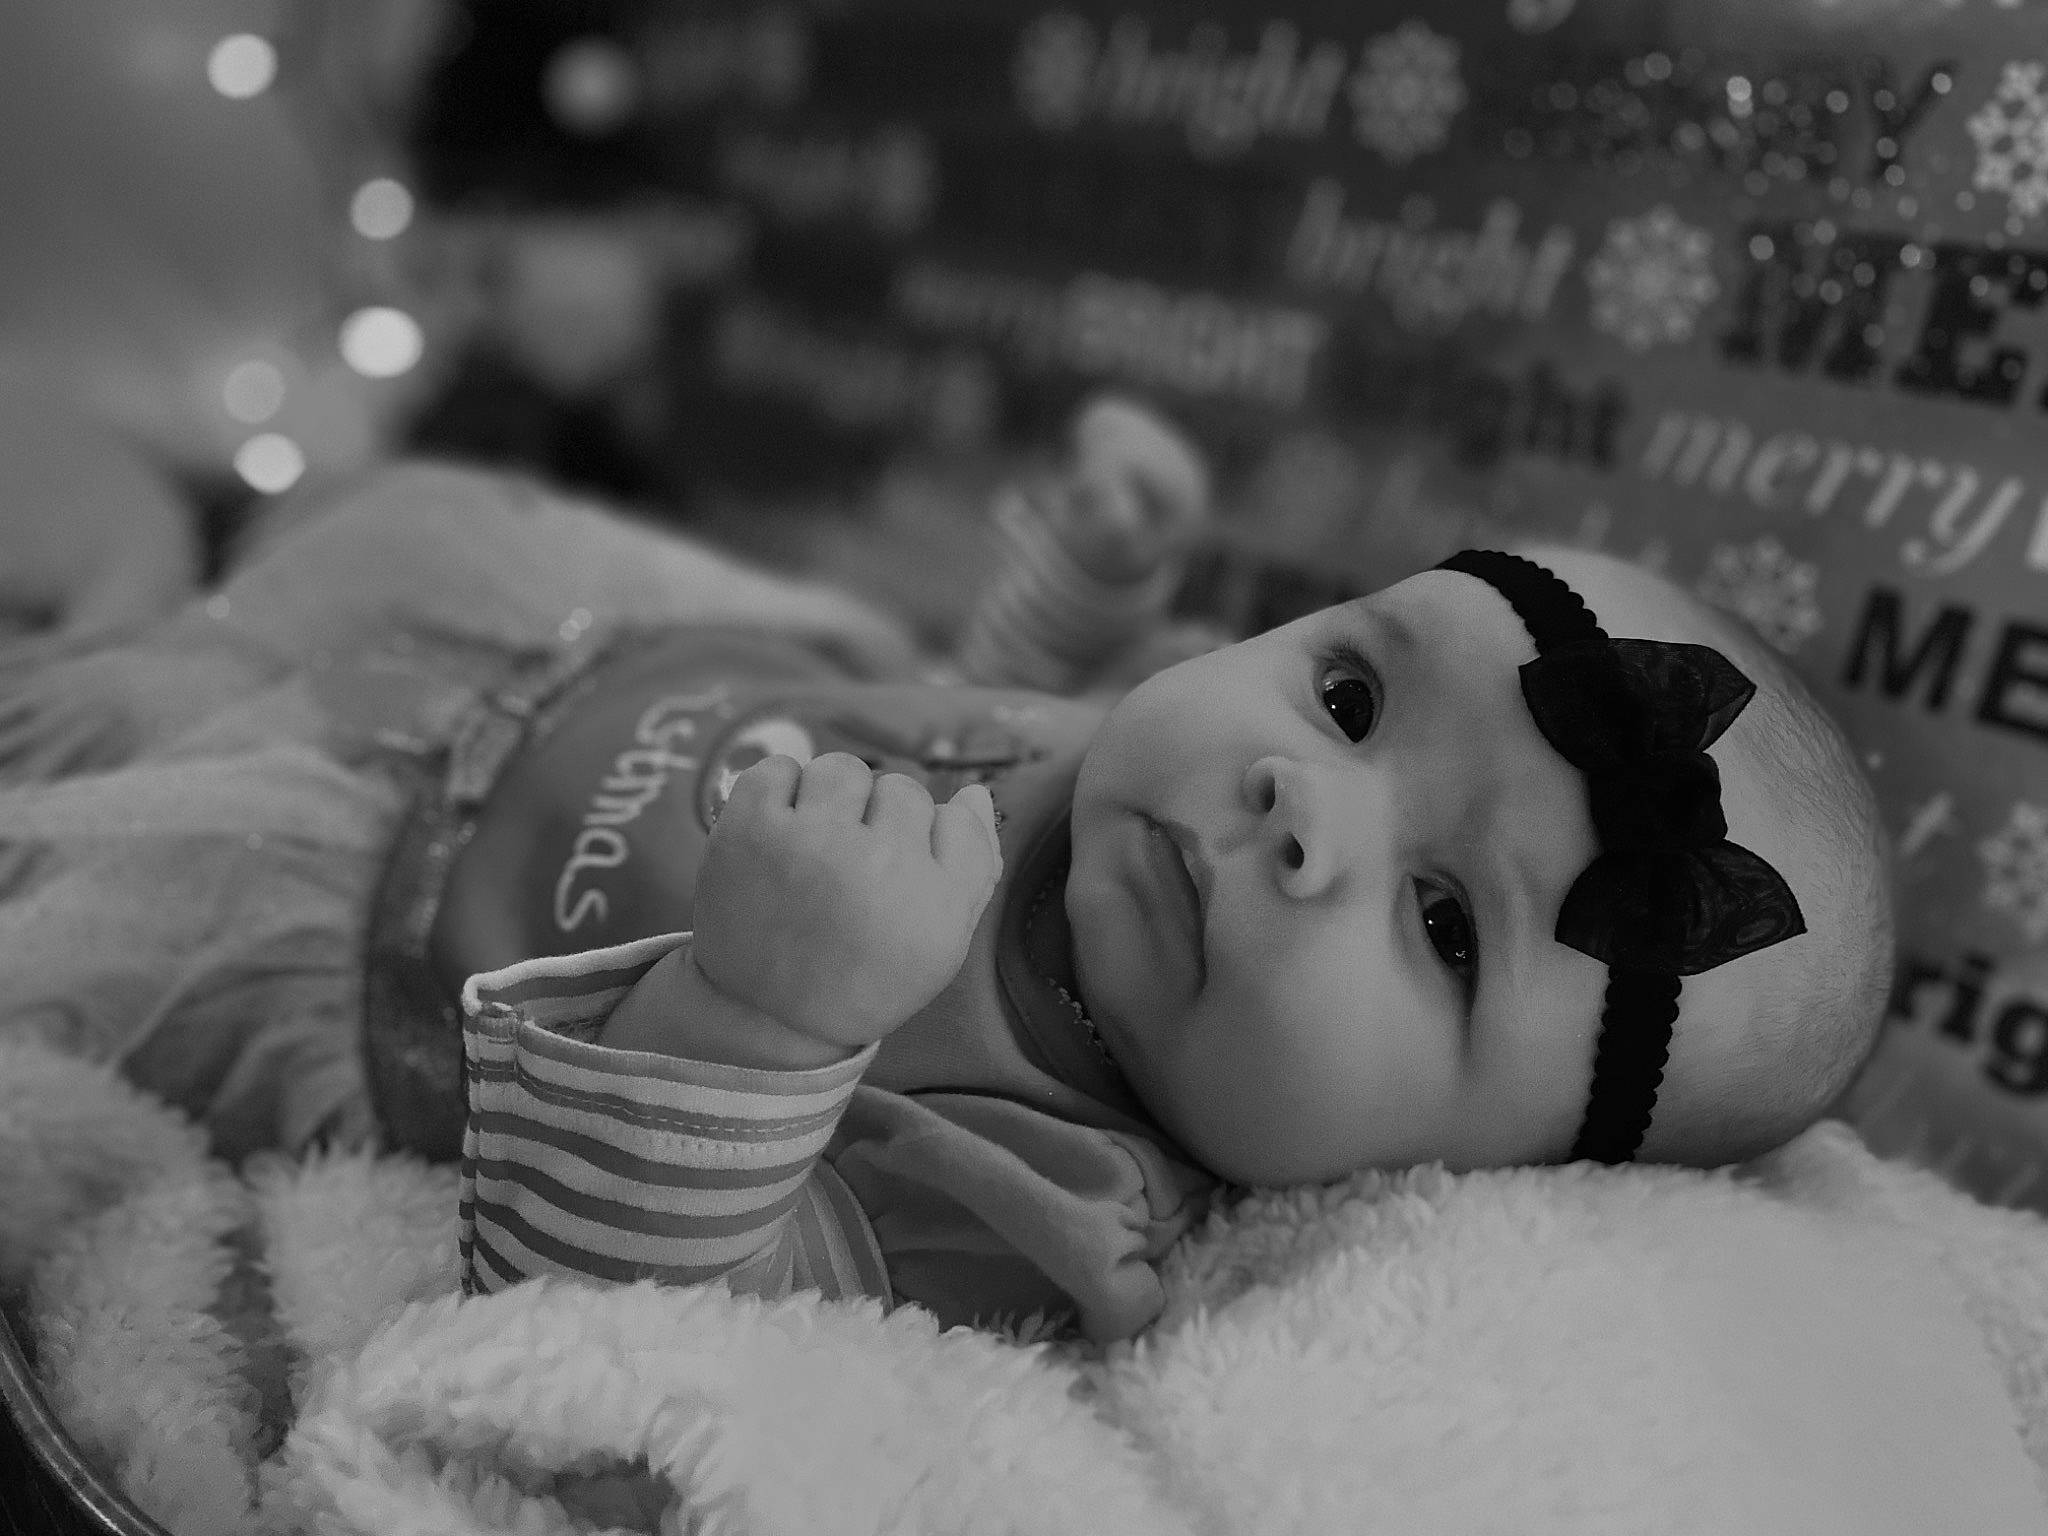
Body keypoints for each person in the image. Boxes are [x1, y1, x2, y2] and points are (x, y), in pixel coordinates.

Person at [0, 398, 1893, 1344]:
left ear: (1446, 1184)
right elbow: (991, 694)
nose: (1304, 804)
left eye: (1442, 922)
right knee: (169, 618)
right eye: (1345, 688)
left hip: (337, 916)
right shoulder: (1140, 809)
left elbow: (610, 1284)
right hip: (514, 664)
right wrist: (1091, 579)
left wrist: (765, 1010)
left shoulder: (1046, 1193)